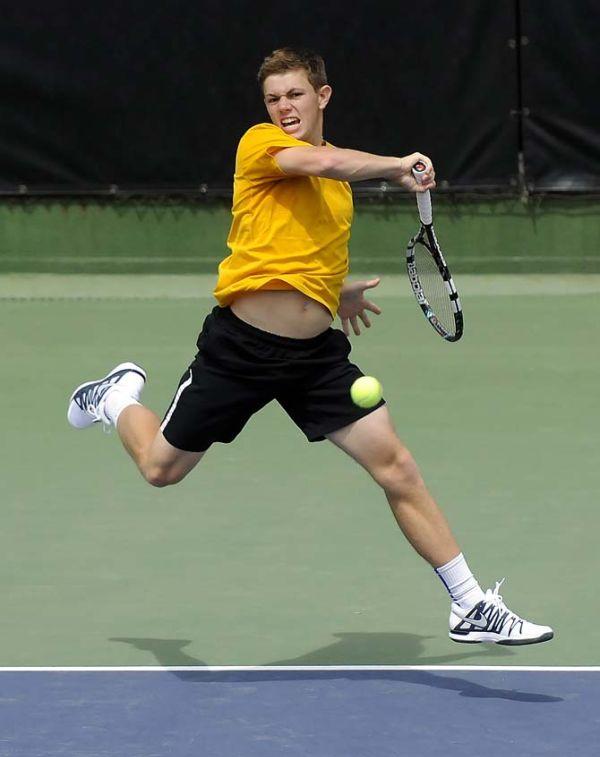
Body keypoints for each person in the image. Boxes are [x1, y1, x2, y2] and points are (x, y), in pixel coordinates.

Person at [67, 47, 552, 646]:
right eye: (273, 99)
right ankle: (116, 399)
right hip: (240, 349)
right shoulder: (262, 146)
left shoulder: (336, 193)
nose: (283, 108)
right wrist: (397, 166)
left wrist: (334, 294)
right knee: (160, 469)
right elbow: (322, 162)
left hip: (314, 357)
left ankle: (469, 604)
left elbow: (306, 249)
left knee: (396, 465)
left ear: (322, 95)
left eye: (294, 95)